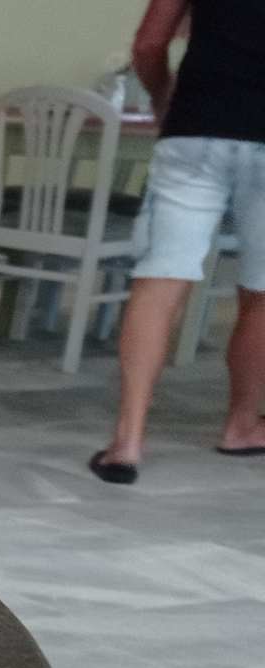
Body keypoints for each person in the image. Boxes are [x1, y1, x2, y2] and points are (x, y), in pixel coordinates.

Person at [99, 0, 265, 483]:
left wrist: (162, 96)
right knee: (261, 291)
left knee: (160, 279)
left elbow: (149, 44)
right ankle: (241, 426)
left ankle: (127, 443)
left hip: (196, 126)